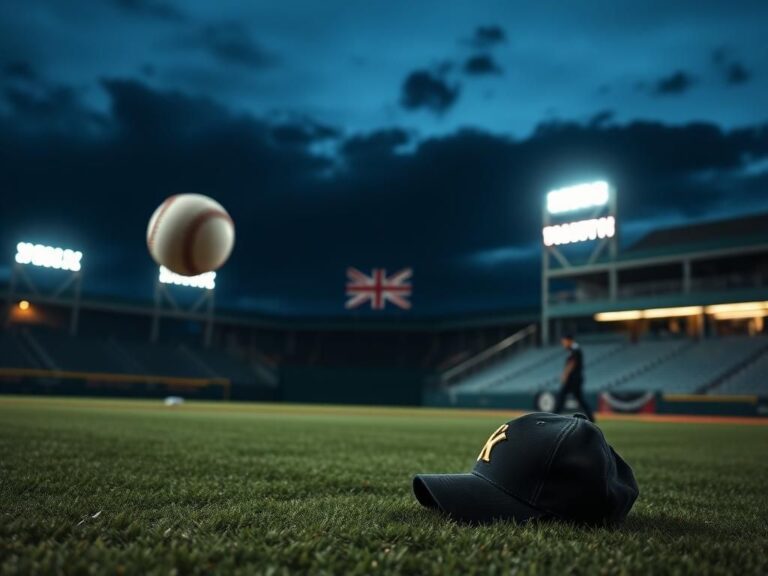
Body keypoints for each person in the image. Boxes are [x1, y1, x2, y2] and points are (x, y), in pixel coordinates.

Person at [553, 334, 595, 422]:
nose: (563, 344)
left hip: (574, 379)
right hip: (575, 378)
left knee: (561, 396)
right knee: (577, 398)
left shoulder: (575, 349)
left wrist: (565, 375)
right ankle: (591, 418)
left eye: (564, 342)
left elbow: (572, 363)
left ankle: (553, 416)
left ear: (569, 340)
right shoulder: (574, 349)